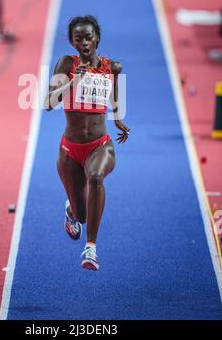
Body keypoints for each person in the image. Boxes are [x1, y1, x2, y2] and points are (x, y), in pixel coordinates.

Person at [45, 15, 130, 270]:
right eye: (78, 38)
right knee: (82, 216)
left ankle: (91, 249)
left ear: (97, 39)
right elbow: (48, 104)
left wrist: (117, 117)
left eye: (88, 37)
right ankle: (72, 210)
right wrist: (73, 82)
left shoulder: (112, 67)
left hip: (100, 145)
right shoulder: (66, 64)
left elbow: (114, 90)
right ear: (72, 42)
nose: (84, 42)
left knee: (95, 177)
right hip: (69, 150)